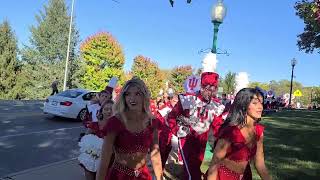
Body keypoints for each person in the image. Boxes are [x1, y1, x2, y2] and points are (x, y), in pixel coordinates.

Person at [96, 77, 163, 180]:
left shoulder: (152, 122)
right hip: (119, 176)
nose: (132, 99)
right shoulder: (115, 122)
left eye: (137, 94)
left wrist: (160, 178)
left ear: (144, 96)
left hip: (143, 176)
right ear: (123, 97)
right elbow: (104, 159)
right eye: (128, 94)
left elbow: (155, 154)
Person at [166, 71, 225, 180]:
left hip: (205, 143)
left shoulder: (217, 105)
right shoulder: (187, 99)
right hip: (187, 140)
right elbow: (171, 117)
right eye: (207, 87)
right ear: (201, 86)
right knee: (192, 173)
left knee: (201, 169)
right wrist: (181, 131)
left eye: (213, 87)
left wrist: (215, 138)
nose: (210, 91)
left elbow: (217, 127)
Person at [206, 88, 271, 180]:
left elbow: (259, 163)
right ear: (243, 105)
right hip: (223, 177)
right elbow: (214, 164)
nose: (260, 107)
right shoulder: (231, 131)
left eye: (261, 103)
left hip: (246, 176)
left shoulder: (259, 131)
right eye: (255, 103)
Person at [79, 100, 114, 180]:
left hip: (109, 161)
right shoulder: (94, 124)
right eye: (106, 109)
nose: (109, 111)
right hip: (92, 158)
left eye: (112, 109)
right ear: (101, 111)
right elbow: (85, 139)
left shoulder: (117, 127)